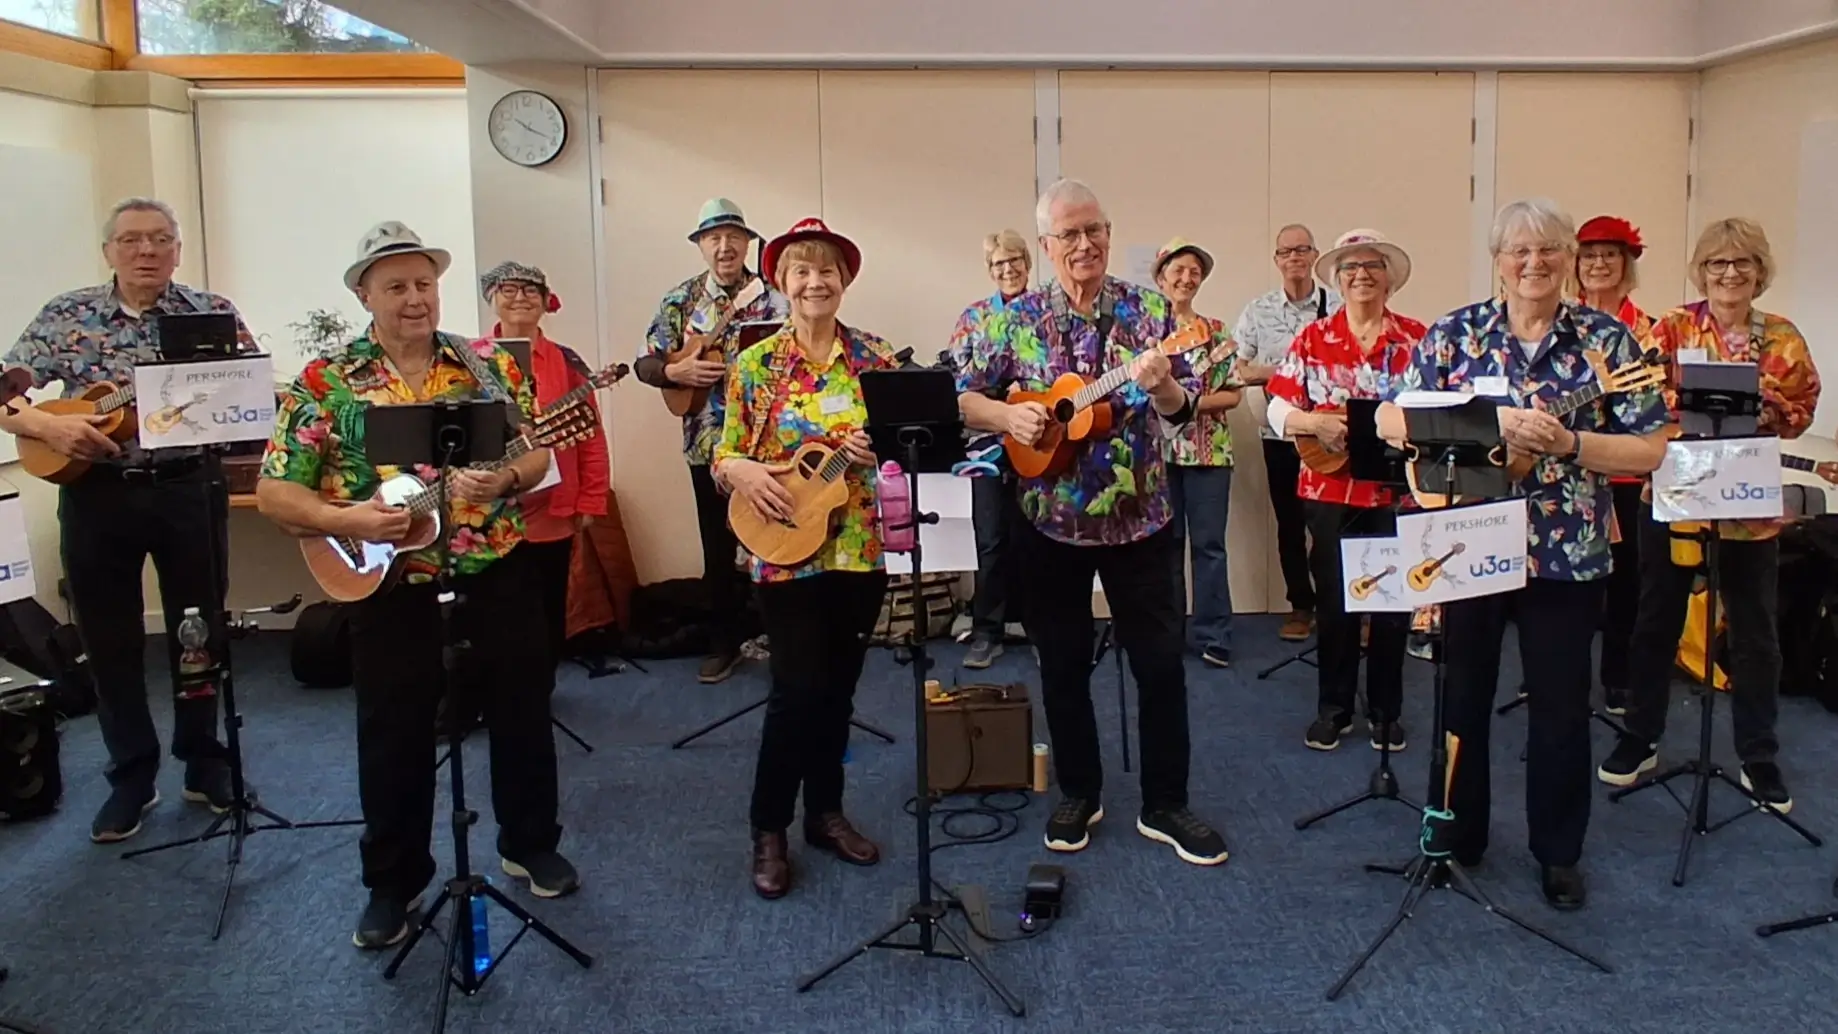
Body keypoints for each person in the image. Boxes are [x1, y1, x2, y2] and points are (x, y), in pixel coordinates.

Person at [256, 222, 578, 949]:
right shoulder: (325, 382)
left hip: (494, 565)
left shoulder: (486, 366)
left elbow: (535, 459)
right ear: (364, 293)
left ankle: (528, 842)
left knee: (524, 710)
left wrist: (505, 475)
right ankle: (393, 882)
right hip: (389, 584)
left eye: (424, 284)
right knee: (393, 732)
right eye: (396, 286)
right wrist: (350, 520)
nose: (414, 299)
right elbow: (279, 495)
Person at [1377, 199, 1669, 911]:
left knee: (1563, 710)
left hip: (1568, 554)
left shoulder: (1608, 342)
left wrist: (1571, 443)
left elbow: (1652, 446)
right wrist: (1488, 423)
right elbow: (1389, 417)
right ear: (1498, 259)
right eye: (1519, 251)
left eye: (1548, 250)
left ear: (1569, 258)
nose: (1533, 263)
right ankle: (1456, 833)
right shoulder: (1457, 332)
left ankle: (1558, 852)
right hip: (1469, 544)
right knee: (1461, 698)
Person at [955, 178, 1228, 866]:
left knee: (1161, 666)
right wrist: (1006, 415)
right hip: (1046, 522)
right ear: (1046, 246)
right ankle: (1079, 790)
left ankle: (1167, 803)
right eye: (1069, 234)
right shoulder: (1010, 319)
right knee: (1063, 664)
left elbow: (1181, 409)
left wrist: (1164, 381)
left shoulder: (1149, 313)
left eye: (1095, 230)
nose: (1085, 244)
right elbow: (960, 395)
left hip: (1142, 520)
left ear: (1110, 235)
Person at [0, 197, 255, 844]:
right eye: (133, 239)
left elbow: (249, 393)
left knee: (199, 630)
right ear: (109, 249)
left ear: (178, 248)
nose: (147, 251)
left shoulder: (211, 312)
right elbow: (4, 388)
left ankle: (202, 759)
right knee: (109, 637)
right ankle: (131, 776)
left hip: (187, 488)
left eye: (161, 239)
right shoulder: (67, 315)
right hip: (97, 495)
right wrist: (39, 423)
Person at [1599, 218, 1822, 812]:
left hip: (1749, 501)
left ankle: (1758, 753)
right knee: (1656, 620)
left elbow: (1801, 409)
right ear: (1702, 271)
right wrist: (1698, 398)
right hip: (1675, 490)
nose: (1730, 274)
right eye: (1718, 264)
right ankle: (1640, 736)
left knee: (1755, 633)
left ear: (1759, 273)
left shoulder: (1782, 336)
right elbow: (1636, 396)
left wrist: (1765, 403)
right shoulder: (1670, 327)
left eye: (1742, 264)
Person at [712, 218, 900, 899]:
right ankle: (768, 828)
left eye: (827, 271)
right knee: (795, 693)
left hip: (858, 547)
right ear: (782, 282)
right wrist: (744, 474)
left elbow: (912, 441)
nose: (815, 282)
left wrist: (885, 449)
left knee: (840, 689)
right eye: (801, 271)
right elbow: (723, 452)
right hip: (785, 547)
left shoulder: (876, 359)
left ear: (844, 281)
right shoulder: (756, 364)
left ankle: (825, 813)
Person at [1266, 230, 1426, 752]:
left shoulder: (1416, 340)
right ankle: (1333, 709)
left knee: (1393, 605)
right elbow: (1277, 407)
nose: (1362, 274)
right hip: (1329, 489)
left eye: (1373, 265)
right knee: (1335, 604)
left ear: (1390, 278)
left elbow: (1437, 411)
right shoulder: (1312, 339)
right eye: (1351, 267)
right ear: (1336, 279)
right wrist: (1314, 421)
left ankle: (1385, 711)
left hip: (1396, 493)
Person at [635, 199, 790, 684]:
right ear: (701, 245)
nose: (724, 247)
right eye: (713, 238)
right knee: (717, 546)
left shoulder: (776, 297)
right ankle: (724, 641)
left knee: (779, 538)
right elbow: (644, 363)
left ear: (747, 243)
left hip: (770, 443)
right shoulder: (679, 301)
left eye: (733, 237)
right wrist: (674, 370)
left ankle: (783, 640)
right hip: (706, 441)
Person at [476, 261, 611, 674]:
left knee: (549, 601)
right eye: (509, 289)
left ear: (546, 301)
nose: (520, 297)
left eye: (530, 290)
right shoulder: (467, 357)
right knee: (491, 608)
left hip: (552, 505)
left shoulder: (565, 361)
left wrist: (591, 497)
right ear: (492, 299)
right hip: (488, 507)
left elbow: (590, 433)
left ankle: (541, 690)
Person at [1234, 224, 1342, 642]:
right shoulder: (1257, 311)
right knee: (1290, 522)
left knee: (1334, 522)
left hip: (1334, 436)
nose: (1294, 257)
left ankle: (1348, 605)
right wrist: (1284, 372)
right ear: (1276, 260)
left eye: (1302, 249)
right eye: (1286, 251)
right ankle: (1301, 605)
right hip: (1281, 436)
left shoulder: (1338, 306)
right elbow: (1239, 370)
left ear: (1315, 255)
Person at [1574, 215, 1654, 715]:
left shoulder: (1648, 328)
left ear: (1626, 265)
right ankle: (1559, 670)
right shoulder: (1559, 321)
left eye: (1610, 255)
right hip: (1570, 468)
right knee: (1567, 582)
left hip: (1626, 470)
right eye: (1589, 256)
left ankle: (1618, 673)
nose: (1599, 264)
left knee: (1626, 578)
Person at [1153, 237, 1242, 668]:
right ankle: (1168, 632)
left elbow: (1232, 397)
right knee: (1165, 547)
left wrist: (1184, 403)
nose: (1186, 278)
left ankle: (1213, 634)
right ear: (1161, 276)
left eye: (1195, 272)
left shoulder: (1216, 332)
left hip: (1209, 454)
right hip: (1155, 455)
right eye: (1178, 269)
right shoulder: (1144, 332)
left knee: (1209, 546)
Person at [948, 229, 1034, 669]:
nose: (1008, 270)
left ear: (1028, 262)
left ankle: (1041, 628)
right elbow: (961, 386)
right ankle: (987, 630)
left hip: (1042, 443)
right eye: (999, 264)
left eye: (1014, 260)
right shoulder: (973, 317)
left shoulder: (1046, 311)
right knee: (992, 539)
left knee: (1038, 540)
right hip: (987, 446)